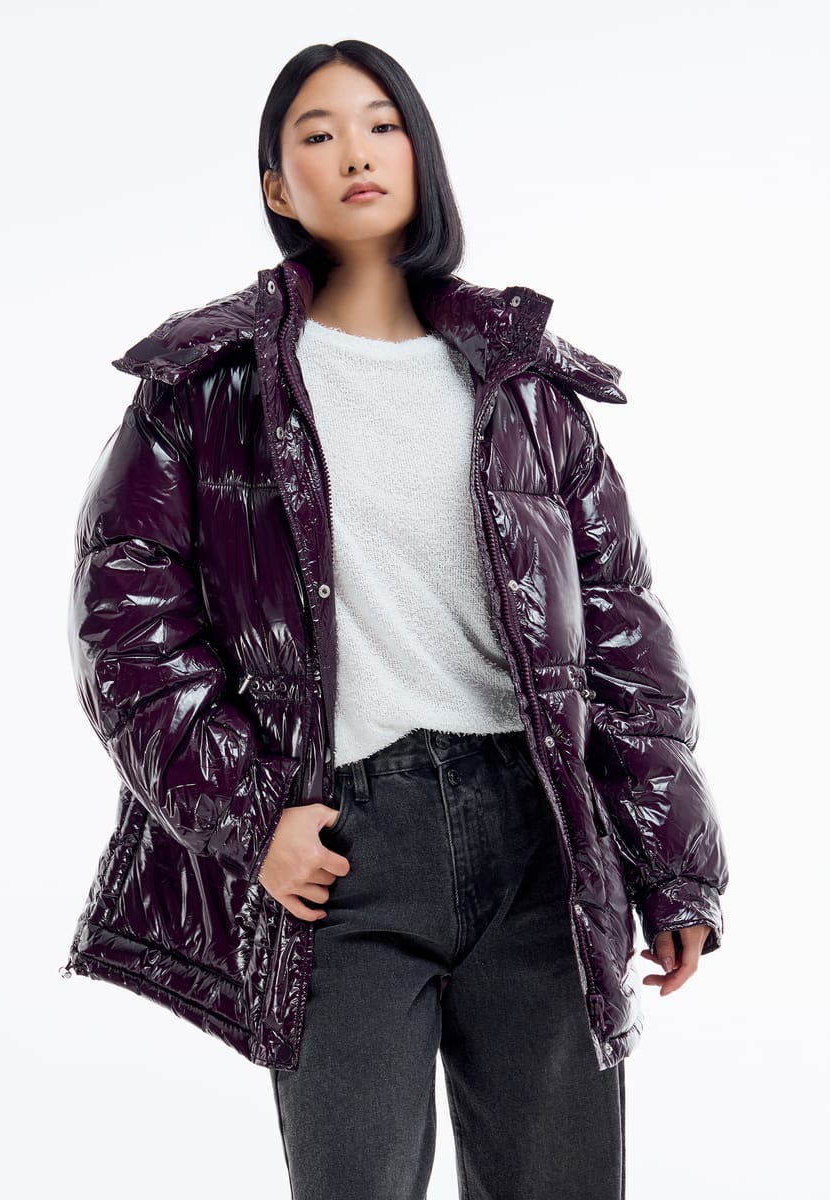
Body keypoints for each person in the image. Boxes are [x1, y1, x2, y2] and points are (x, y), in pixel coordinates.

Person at [61, 38, 729, 1200]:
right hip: (340, 848)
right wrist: (253, 817)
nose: (356, 153)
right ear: (279, 187)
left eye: (381, 125)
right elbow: (128, 625)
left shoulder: (527, 382)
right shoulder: (209, 383)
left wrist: (672, 865)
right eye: (317, 135)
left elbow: (622, 626)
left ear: (421, 154)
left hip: (540, 838)